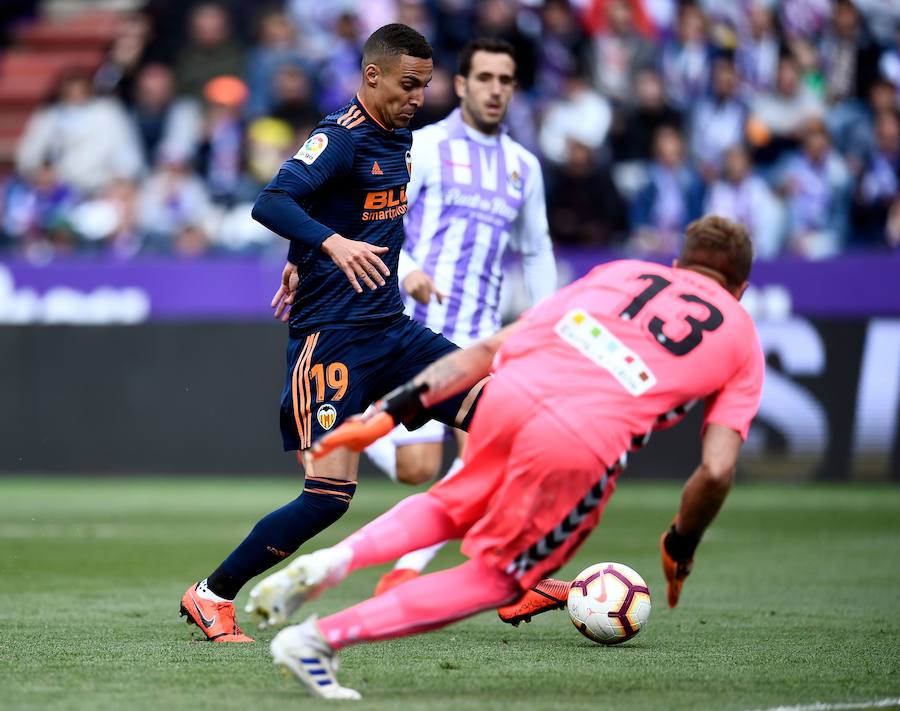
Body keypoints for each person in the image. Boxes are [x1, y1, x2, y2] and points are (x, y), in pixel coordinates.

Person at [245, 215, 765, 699]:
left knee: (452, 503)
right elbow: (717, 469)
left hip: (511, 395)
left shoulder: (624, 273)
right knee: (500, 579)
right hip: (581, 438)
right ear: (740, 288)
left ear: (677, 264)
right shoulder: (740, 335)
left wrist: (387, 414)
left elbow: (490, 349)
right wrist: (682, 541)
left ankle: (333, 560)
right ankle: (317, 639)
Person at [179, 24, 482, 643]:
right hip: (332, 338)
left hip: (394, 331)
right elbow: (272, 200)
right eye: (408, 84)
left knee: (505, 413)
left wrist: (301, 253)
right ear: (372, 76)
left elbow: (326, 206)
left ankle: (511, 571)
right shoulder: (337, 137)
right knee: (328, 496)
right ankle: (211, 595)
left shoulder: (397, 139)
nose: (418, 96)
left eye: (425, 85)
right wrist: (327, 246)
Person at [363, 37, 557, 593]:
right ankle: (357, 419)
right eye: (486, 78)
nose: (496, 90)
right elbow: (383, 222)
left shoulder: (523, 167)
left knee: (486, 462)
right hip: (416, 329)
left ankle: (421, 571)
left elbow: (537, 248)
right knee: (420, 469)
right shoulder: (423, 147)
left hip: (479, 337)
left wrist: (545, 321)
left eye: (506, 80)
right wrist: (409, 270)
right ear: (463, 85)